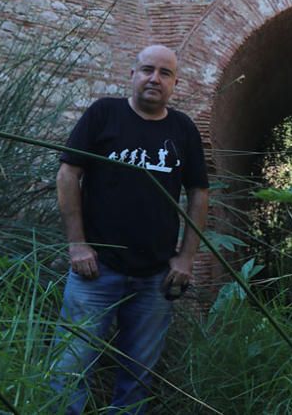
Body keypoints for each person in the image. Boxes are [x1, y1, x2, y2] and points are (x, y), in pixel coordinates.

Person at [50, 45, 209, 414]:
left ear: (174, 83)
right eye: (147, 70)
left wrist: (185, 259)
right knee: (69, 370)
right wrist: (77, 244)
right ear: (132, 75)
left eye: (165, 73)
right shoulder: (105, 114)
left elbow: (199, 193)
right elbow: (68, 173)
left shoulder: (182, 128)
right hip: (95, 271)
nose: (155, 78)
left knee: (137, 379)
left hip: (155, 278)